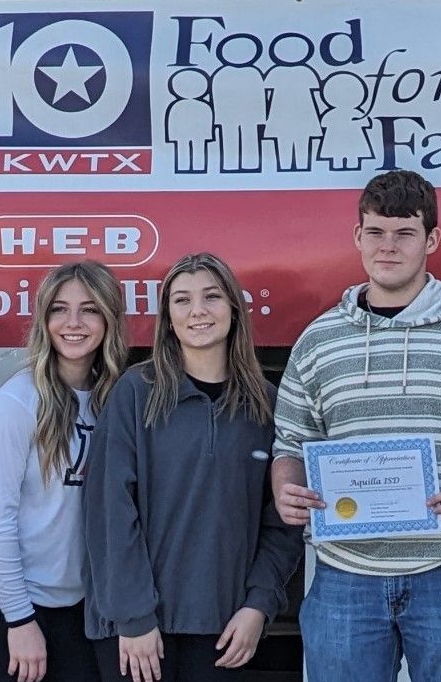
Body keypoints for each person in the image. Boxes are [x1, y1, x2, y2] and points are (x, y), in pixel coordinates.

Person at [271, 170, 441, 682]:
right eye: (375, 232)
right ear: (357, 237)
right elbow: (289, 442)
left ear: (432, 239)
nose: (388, 247)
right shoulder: (318, 340)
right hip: (344, 577)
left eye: (405, 233)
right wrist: (287, 489)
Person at [84, 253, 301, 682]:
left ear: (234, 310)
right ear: (167, 318)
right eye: (181, 300)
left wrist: (259, 605)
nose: (197, 311)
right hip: (139, 632)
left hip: (224, 630)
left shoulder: (267, 405)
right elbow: (109, 511)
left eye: (211, 297)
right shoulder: (135, 393)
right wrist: (134, 617)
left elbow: (284, 521)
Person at [0, 261, 129, 682]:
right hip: (10, 607)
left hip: (78, 612)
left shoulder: (116, 400)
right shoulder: (16, 404)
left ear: (109, 319)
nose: (73, 323)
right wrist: (19, 621)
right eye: (59, 309)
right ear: (43, 320)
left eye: (89, 309)